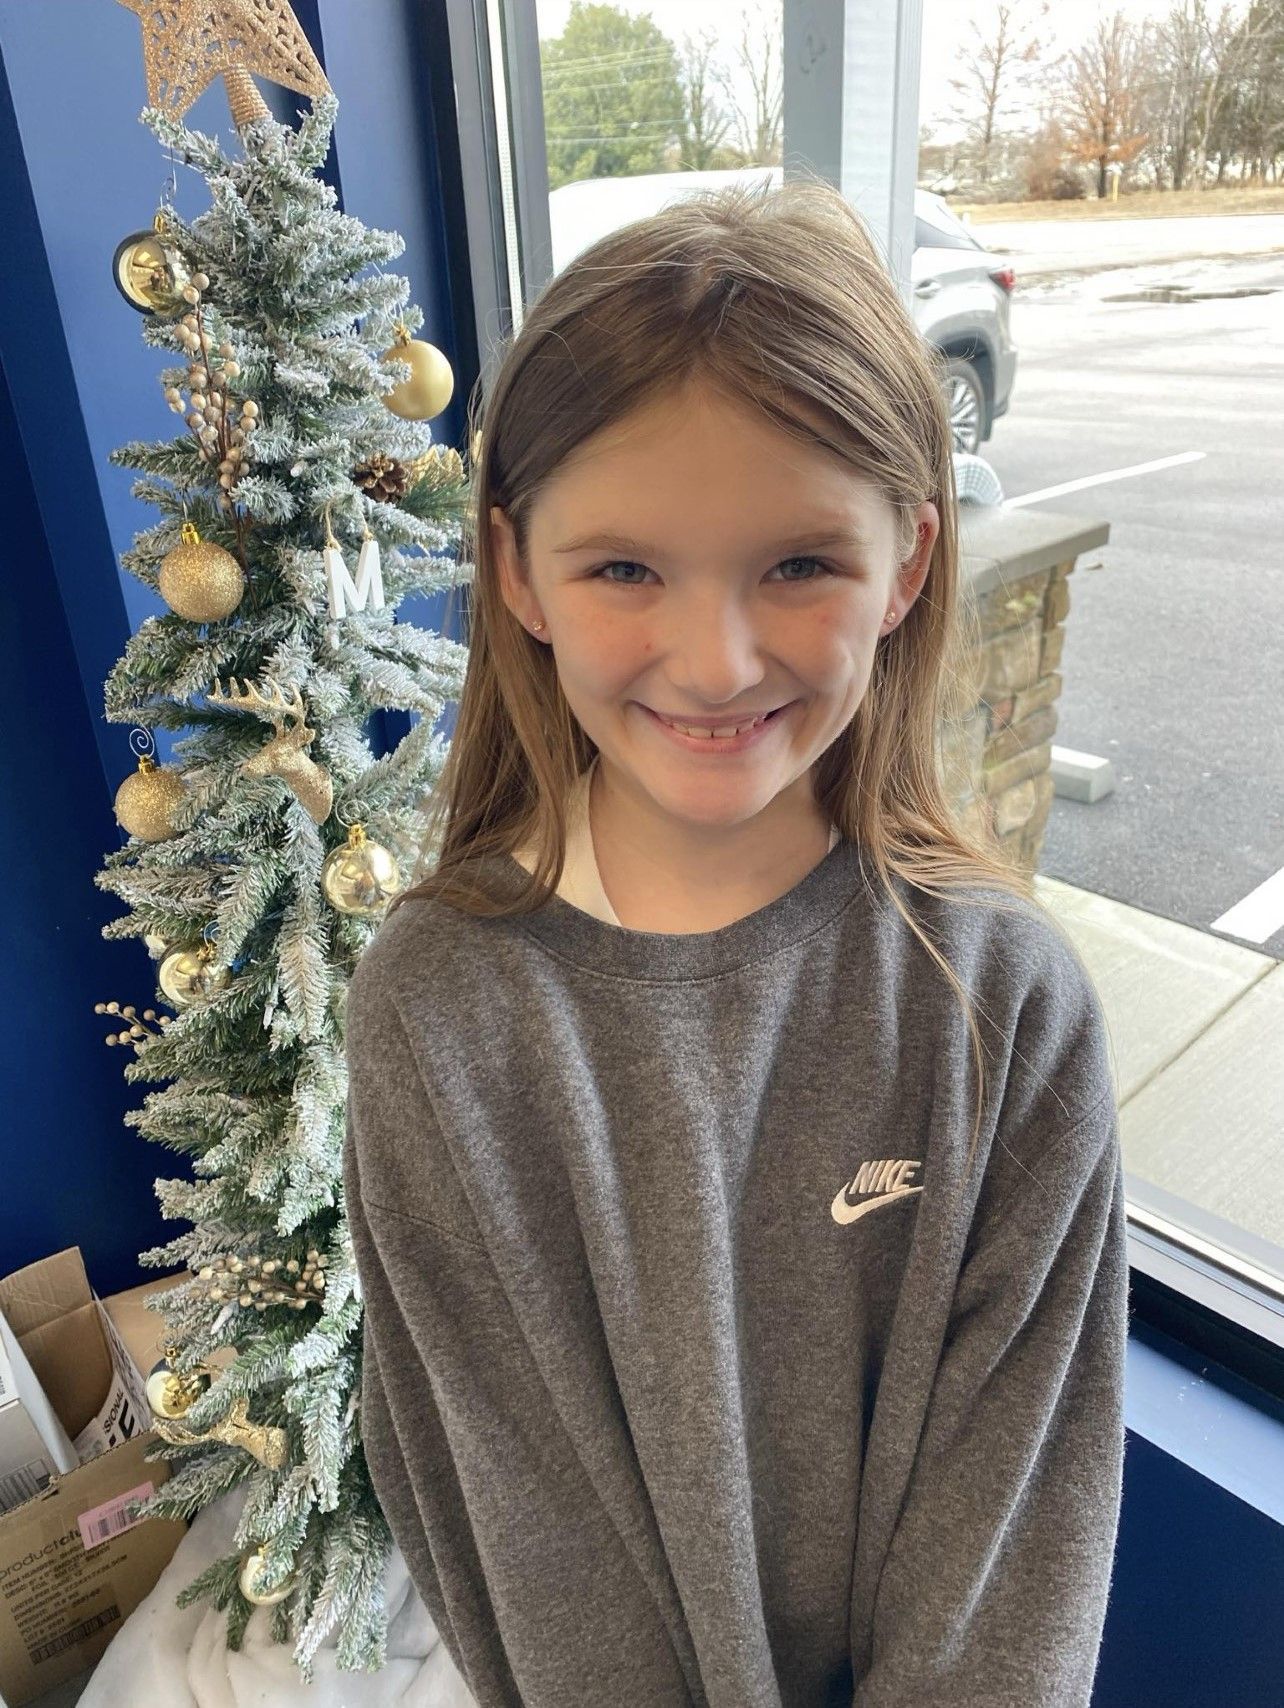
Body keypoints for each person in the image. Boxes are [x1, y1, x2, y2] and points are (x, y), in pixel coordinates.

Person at [342, 174, 1129, 1708]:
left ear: (908, 561)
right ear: (518, 575)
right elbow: (510, 1529)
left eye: (798, 565)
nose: (717, 662)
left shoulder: (1003, 1010)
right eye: (626, 568)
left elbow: (1015, 1558)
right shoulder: (439, 1014)